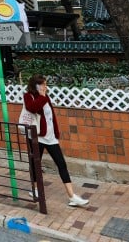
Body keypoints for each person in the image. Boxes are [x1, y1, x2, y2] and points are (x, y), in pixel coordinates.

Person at [23, 74, 90, 207]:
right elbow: (33, 108)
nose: (45, 86)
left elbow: (50, 116)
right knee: (35, 164)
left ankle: (72, 196)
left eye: (45, 84)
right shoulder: (28, 96)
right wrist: (41, 96)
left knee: (61, 164)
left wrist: (56, 132)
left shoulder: (45, 96)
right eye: (42, 84)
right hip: (37, 137)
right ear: (35, 85)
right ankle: (35, 189)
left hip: (50, 137)